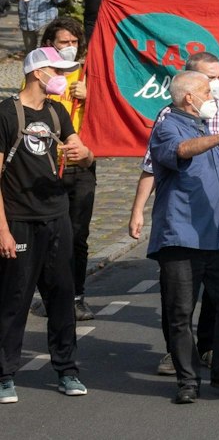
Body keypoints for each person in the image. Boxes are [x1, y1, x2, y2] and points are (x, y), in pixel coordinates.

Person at [146, 70, 219, 403]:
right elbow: (182, 150)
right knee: (180, 312)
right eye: (207, 91)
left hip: (218, 238)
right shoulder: (168, 126)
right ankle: (187, 380)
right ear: (189, 98)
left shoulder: (205, 127)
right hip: (181, 238)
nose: (213, 96)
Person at [0, 45, 94, 402]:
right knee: (13, 299)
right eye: (58, 70)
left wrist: (83, 155)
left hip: (57, 219)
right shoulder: (6, 114)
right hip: (19, 221)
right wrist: (2, 229)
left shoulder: (56, 112)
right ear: (39, 73)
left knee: (61, 297)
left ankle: (67, 370)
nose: (64, 77)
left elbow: (84, 153)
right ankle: (5, 374)